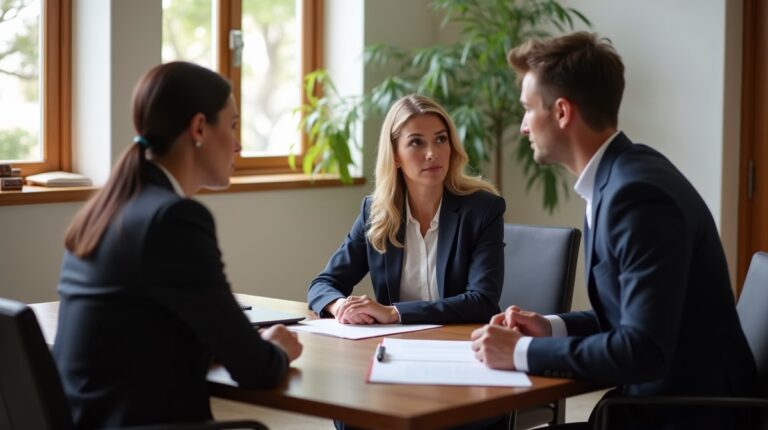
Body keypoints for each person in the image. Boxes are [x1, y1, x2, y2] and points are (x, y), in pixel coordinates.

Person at [470, 32, 760, 429]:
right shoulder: (622, 175)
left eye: (527, 109)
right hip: (653, 405)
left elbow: (641, 349)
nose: (522, 126)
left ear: (561, 112)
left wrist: (521, 352)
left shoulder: (637, 197)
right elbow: (633, 317)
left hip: (687, 416)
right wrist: (552, 327)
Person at [53, 62, 302, 429]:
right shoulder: (174, 219)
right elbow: (255, 370)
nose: (239, 143)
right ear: (199, 127)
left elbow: (148, 330)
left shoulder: (108, 209)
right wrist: (279, 349)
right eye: (232, 125)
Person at [307, 94, 505, 326]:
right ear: (395, 156)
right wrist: (342, 306)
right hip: (395, 348)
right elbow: (323, 284)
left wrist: (394, 313)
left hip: (463, 346)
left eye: (441, 139)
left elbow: (482, 301)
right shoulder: (376, 213)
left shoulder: (482, 209)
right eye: (416, 142)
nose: (432, 153)